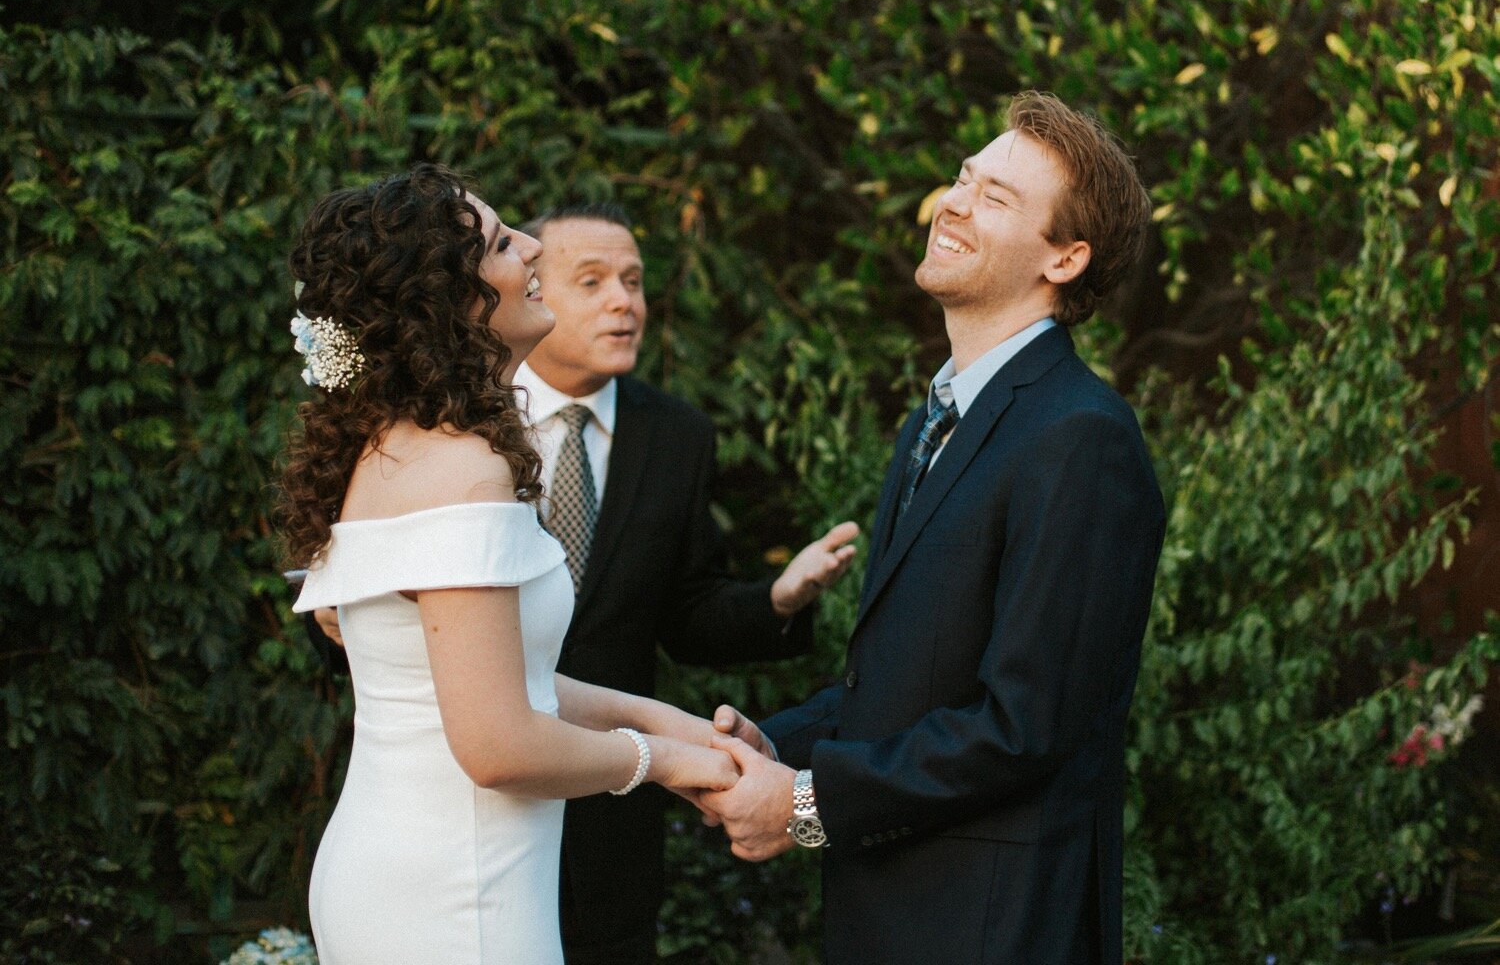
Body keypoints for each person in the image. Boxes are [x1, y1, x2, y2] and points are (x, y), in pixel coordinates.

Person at [303, 200, 859, 963]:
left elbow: (504, 678)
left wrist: (682, 728)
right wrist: (664, 761)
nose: (529, 246)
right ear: (453, 299)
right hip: (458, 892)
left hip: (426, 867)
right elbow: (498, 744)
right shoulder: (467, 469)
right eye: (501, 242)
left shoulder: (403, 446)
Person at [699, 91, 1167, 965]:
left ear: (1065, 258)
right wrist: (782, 742)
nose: (953, 202)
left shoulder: (1082, 437)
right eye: (964, 177)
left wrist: (804, 803)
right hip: (896, 911)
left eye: (996, 197)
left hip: (992, 927)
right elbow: (917, 682)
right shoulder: (935, 422)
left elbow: (1023, 726)